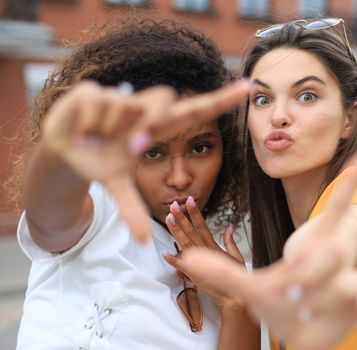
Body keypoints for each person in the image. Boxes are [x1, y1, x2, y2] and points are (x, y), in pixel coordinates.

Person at [176, 17, 357, 349]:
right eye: (262, 99)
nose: (278, 115)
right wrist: (237, 302)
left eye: (306, 96)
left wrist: (319, 251)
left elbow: (347, 230)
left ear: (348, 118)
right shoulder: (286, 271)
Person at [15, 15, 259, 349]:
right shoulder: (101, 212)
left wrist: (236, 302)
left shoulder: (228, 268)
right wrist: (65, 150)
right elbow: (49, 220)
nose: (179, 177)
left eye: (200, 148)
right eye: (153, 153)